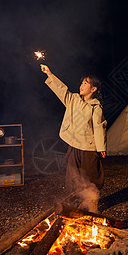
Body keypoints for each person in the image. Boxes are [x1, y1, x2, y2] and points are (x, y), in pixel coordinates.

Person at [40, 64, 107, 212]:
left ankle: (92, 204)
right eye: (82, 82)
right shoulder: (74, 99)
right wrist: (49, 74)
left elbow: (99, 127)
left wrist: (101, 147)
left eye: (85, 83)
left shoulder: (95, 107)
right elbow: (61, 90)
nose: (81, 85)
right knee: (73, 177)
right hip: (74, 146)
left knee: (92, 177)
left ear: (93, 89)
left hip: (89, 147)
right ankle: (79, 203)